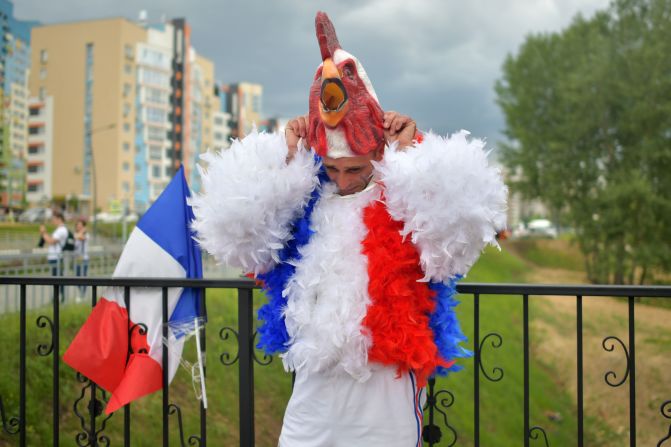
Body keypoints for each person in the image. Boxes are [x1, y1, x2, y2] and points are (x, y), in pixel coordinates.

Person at [191, 12, 507, 447]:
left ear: (377, 151)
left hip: (386, 384)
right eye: (332, 167)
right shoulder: (305, 195)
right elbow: (235, 239)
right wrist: (286, 160)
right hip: (314, 387)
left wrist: (412, 154)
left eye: (353, 168)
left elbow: (460, 237)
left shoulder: (402, 194)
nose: (341, 178)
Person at [40, 209, 68, 301]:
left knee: (57, 279)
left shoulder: (62, 230)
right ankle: (58, 298)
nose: (52, 221)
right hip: (55, 258)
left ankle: (60, 299)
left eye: (54, 219)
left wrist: (44, 233)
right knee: (56, 279)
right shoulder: (59, 229)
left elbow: (51, 241)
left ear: (59, 218)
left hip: (57, 258)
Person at [74, 218, 90, 299]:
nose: (78, 227)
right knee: (77, 277)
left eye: (80, 225)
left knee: (83, 277)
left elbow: (80, 237)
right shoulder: (76, 234)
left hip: (84, 258)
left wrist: (83, 231)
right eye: (77, 225)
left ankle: (82, 295)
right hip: (77, 259)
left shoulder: (86, 235)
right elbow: (76, 237)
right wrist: (81, 231)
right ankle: (81, 293)